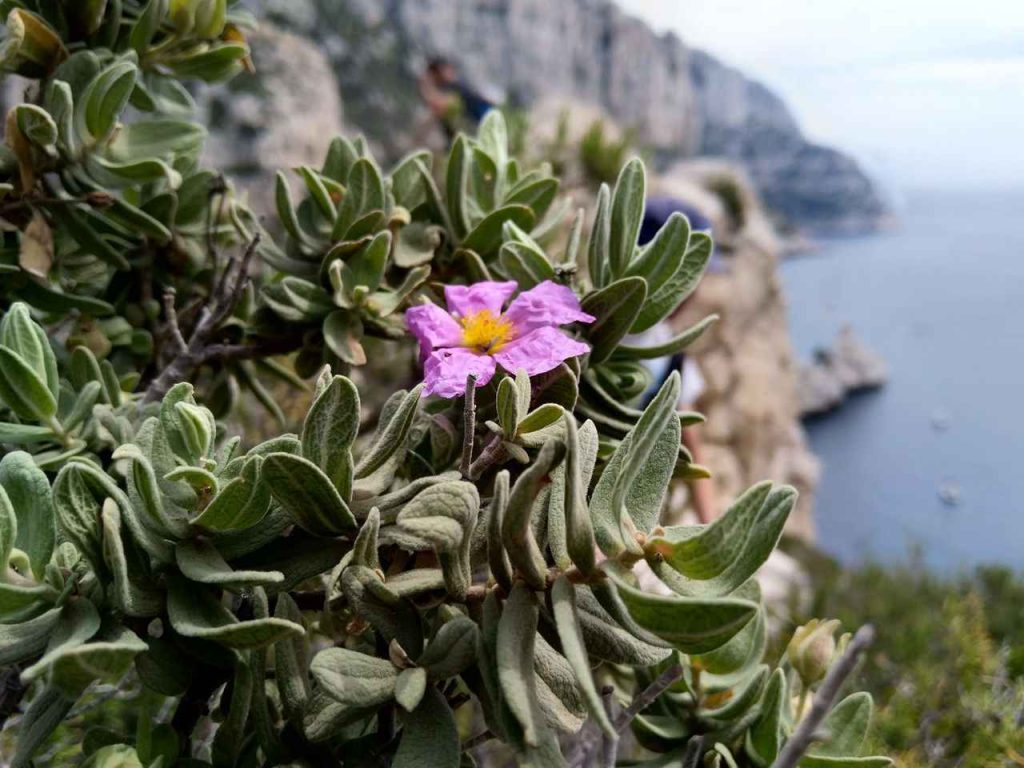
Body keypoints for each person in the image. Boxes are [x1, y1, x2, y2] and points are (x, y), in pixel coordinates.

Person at [629, 197, 723, 524]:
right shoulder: (591, 332)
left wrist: (710, 533)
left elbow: (692, 448)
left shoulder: (673, 354)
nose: (694, 292)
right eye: (687, 276)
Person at [418, 57, 495, 144]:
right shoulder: (450, 86)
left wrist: (425, 88)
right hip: (474, 115)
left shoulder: (454, 85)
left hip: (480, 109)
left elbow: (441, 105)